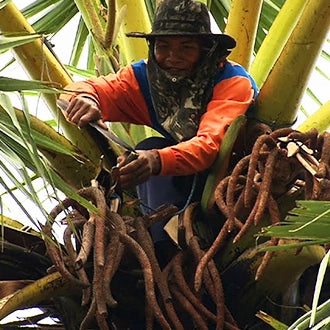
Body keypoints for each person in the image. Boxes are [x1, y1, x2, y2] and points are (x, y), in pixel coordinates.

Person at [61, 0, 258, 261]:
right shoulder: (143, 77)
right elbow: (85, 89)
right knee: (144, 151)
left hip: (232, 187)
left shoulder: (232, 82)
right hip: (172, 178)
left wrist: (155, 160)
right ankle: (156, 246)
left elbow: (210, 145)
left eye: (186, 48)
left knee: (150, 149)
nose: (172, 57)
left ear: (207, 49)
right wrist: (86, 99)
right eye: (163, 47)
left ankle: (168, 251)